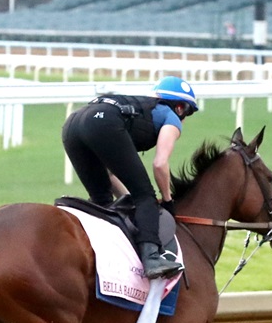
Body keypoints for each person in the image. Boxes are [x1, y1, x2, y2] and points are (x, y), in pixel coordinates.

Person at [61, 76, 198, 279]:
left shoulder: (138, 108)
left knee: (103, 202)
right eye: (187, 112)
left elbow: (109, 171)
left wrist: (129, 198)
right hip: (103, 123)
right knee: (147, 195)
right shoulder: (171, 117)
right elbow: (160, 164)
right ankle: (151, 259)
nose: (184, 119)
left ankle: (98, 258)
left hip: (72, 124)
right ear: (180, 107)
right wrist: (167, 200)